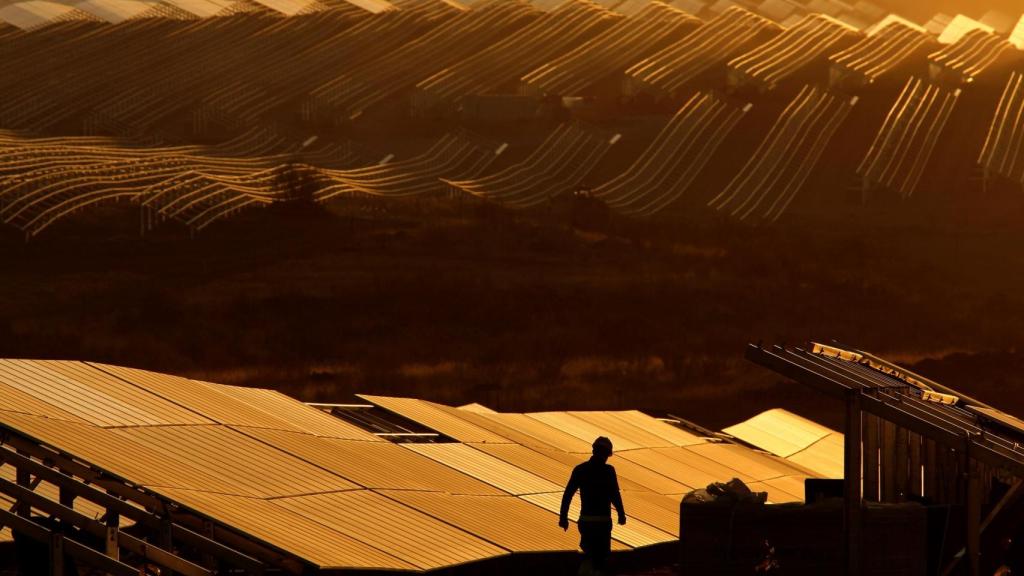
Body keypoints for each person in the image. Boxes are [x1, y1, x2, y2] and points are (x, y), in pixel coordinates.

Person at [559, 436, 626, 576]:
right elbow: (615, 494)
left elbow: (568, 495)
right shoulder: (609, 471)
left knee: (589, 554)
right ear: (608, 454)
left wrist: (563, 518)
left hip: (586, 521)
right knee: (600, 559)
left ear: (593, 450)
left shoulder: (580, 470)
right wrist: (621, 514)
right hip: (603, 522)